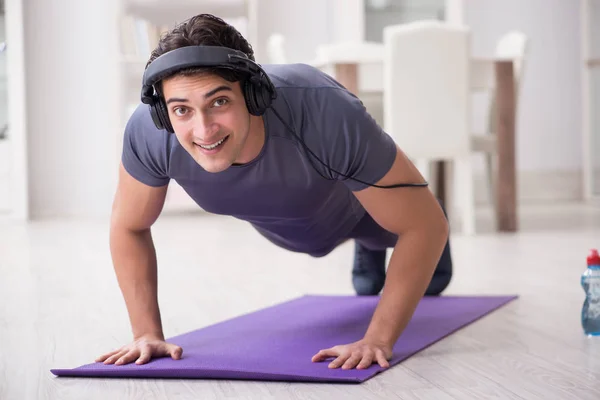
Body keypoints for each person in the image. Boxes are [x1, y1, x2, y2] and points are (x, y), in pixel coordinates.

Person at [96, 13, 453, 371]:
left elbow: (424, 226)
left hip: (351, 205)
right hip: (290, 225)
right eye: (182, 110)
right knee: (323, 238)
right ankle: (374, 244)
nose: (203, 130)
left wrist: (377, 338)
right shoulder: (151, 133)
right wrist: (145, 333)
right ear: (163, 113)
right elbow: (129, 226)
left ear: (254, 94)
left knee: (408, 243)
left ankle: (378, 241)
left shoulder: (324, 110)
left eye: (219, 102)